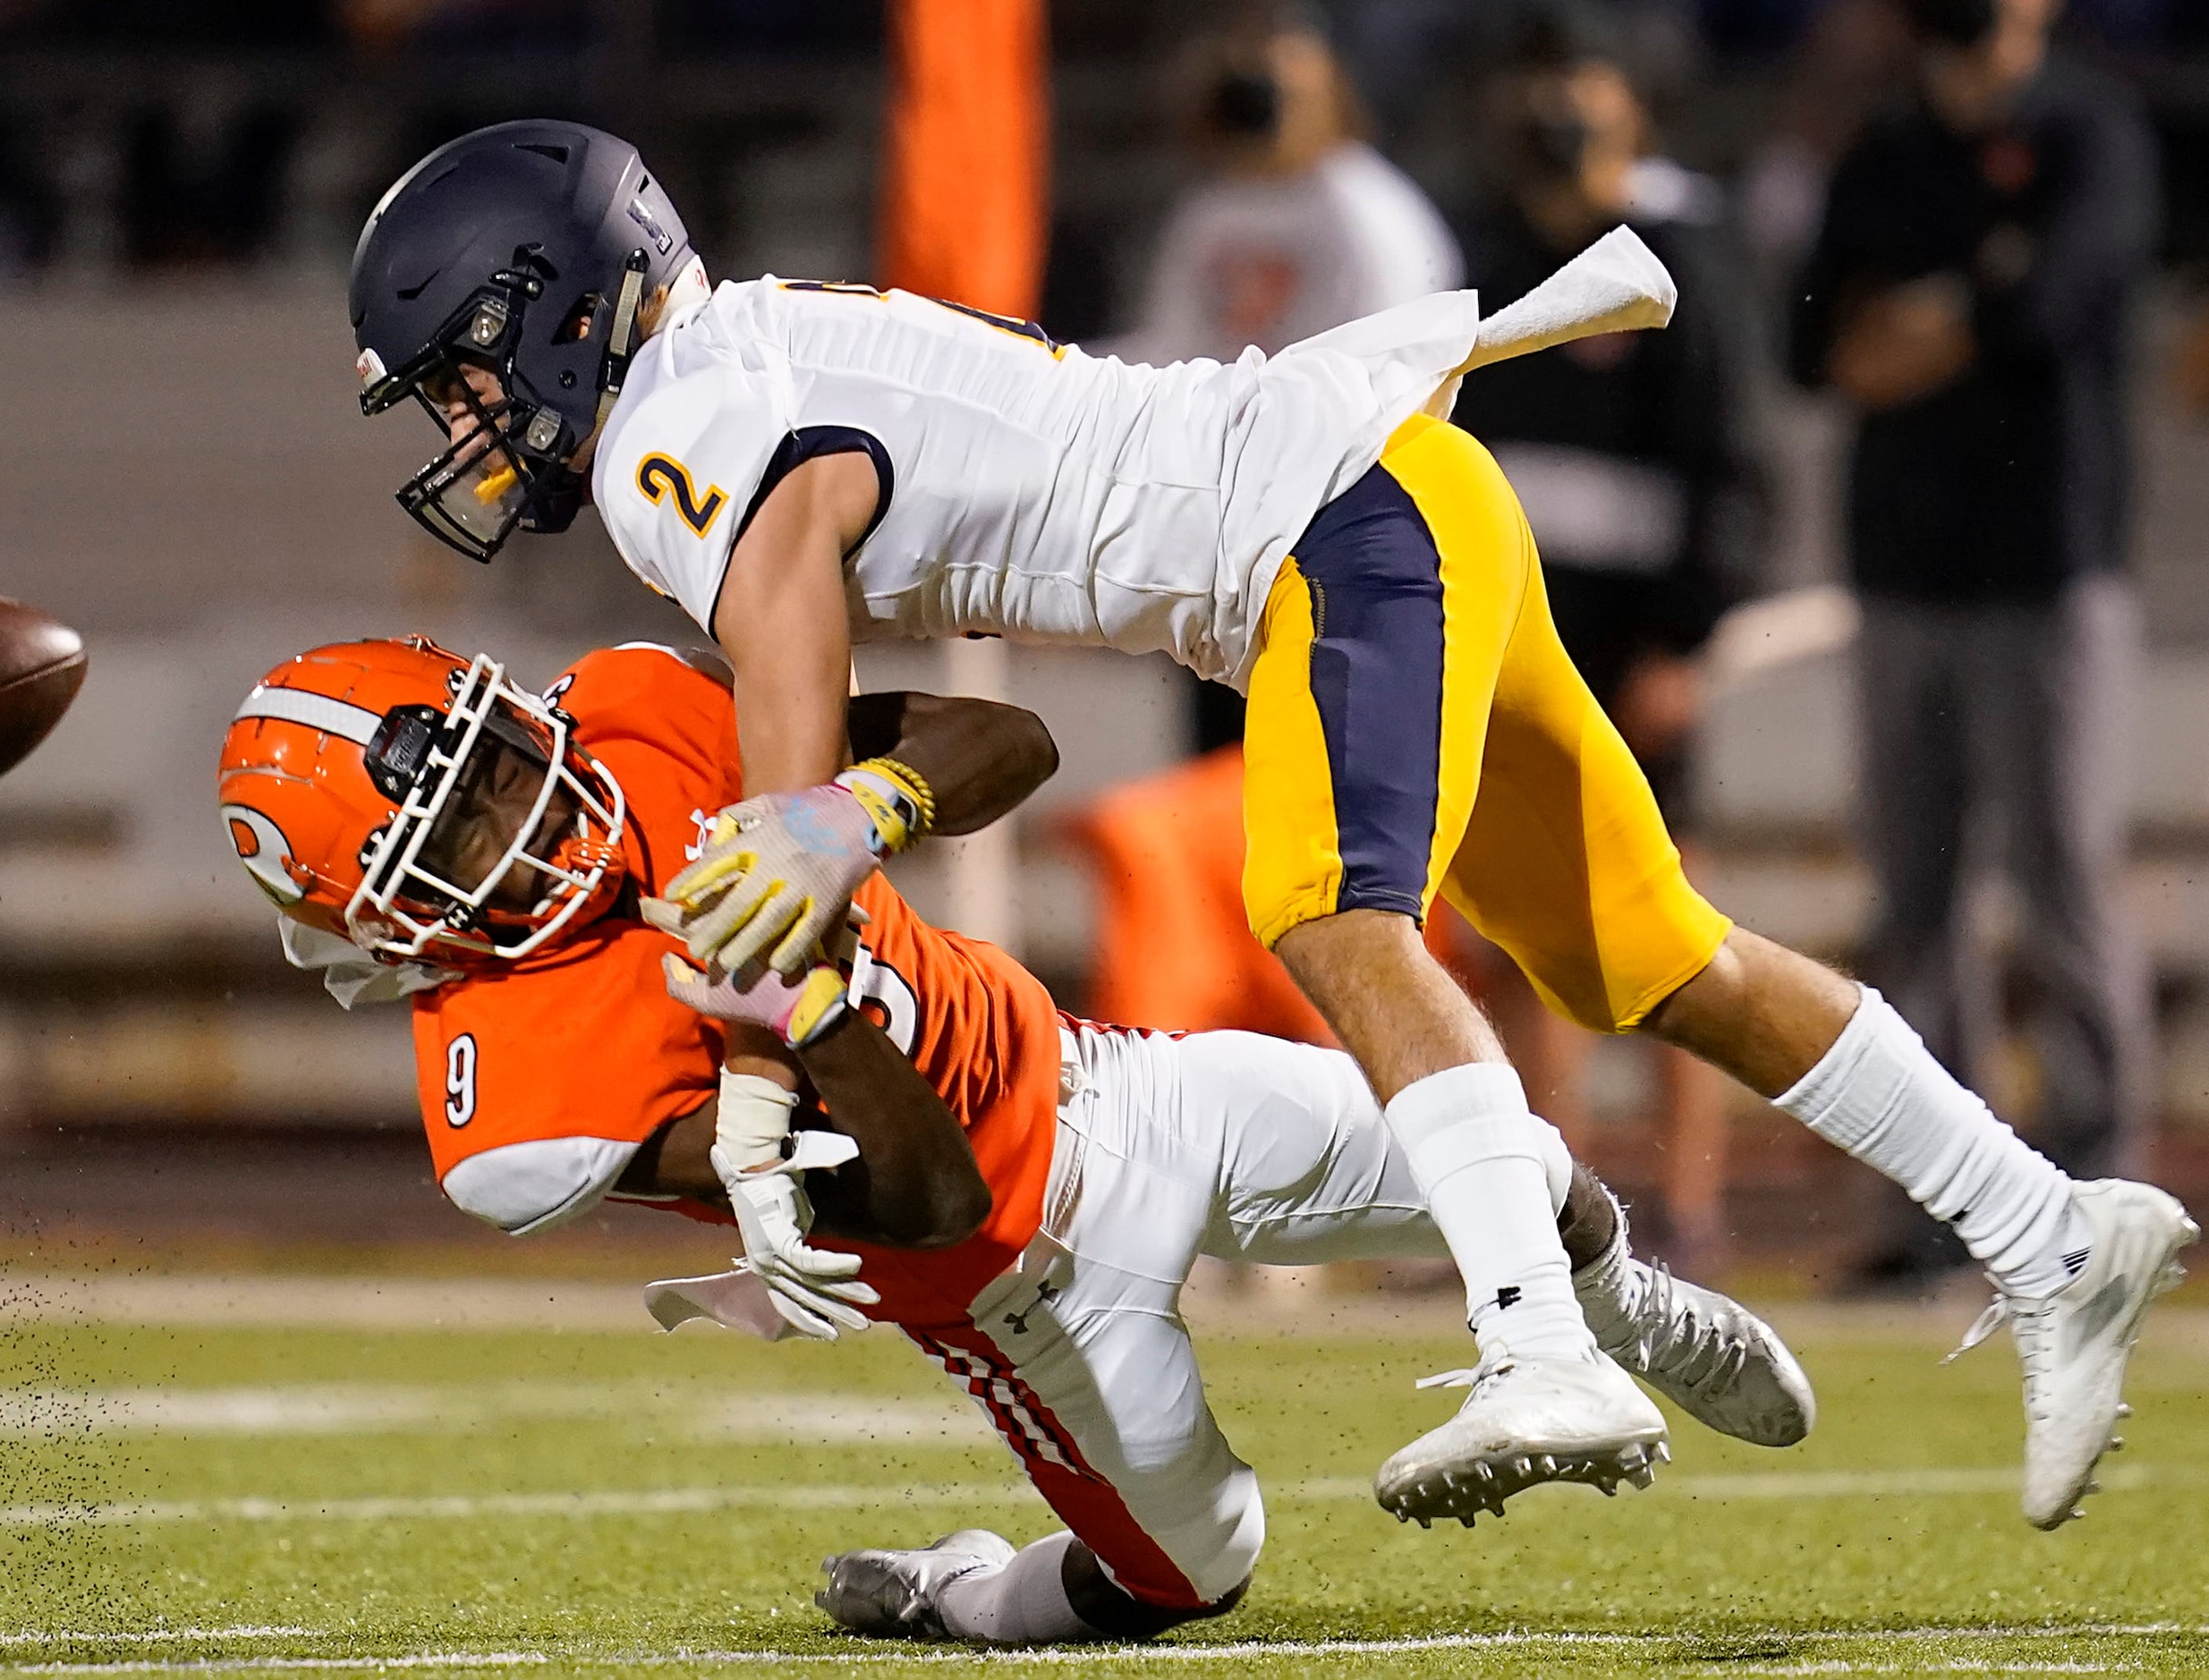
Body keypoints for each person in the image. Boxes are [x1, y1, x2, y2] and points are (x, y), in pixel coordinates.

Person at [342, 120, 2192, 1531]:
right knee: (1642, 952)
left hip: (1330, 521)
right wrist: (803, 926)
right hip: (1384, 497)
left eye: (473, 372)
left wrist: (813, 853)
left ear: (555, 299)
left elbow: (787, 658)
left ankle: (1538, 1349)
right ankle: (2044, 1227)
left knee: (1321, 910)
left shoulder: (687, 430)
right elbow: (829, 749)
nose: (477, 430)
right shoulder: (726, 361)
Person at [214, 633, 1813, 1646]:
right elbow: (926, 1195)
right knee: (1196, 1571)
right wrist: (806, 1001)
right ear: (382, 918)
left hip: (1109, 1080)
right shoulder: (521, 1104)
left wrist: (855, 812)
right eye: (467, 838)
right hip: (1013, 1284)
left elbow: (1007, 736)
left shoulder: (637, 719)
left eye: (500, 767)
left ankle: (1625, 1305)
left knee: (1501, 1158)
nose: (535, 821)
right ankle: (962, 1587)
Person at [1789, 0, 2158, 1295]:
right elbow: (1812, 345)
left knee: (2061, 878)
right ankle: (1935, 1204)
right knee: (1911, 893)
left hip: (2048, 568)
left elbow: (2050, 306)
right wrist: (1973, 298)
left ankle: (2102, 1187)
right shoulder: (1882, 150)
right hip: (1901, 571)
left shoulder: (2089, 133)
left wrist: (1926, 323)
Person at [1441, 7, 1768, 1270]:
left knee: (1665, 918)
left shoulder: (1678, 256)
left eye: (1578, 80)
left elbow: (1733, 465)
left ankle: (1689, 1206)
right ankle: (1557, 1201)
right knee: (1512, 925)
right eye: (1534, 79)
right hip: (1506, 628)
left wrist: (1685, 638)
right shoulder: (1474, 251)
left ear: (1633, 102)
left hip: (1634, 641)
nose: (1554, 106)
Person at [1102, 12, 1460, 369]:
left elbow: (1394, 353)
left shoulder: (1369, 209)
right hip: (1225, 412)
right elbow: (1173, 345)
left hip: (1340, 410)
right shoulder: (1212, 207)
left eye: (1275, 95)